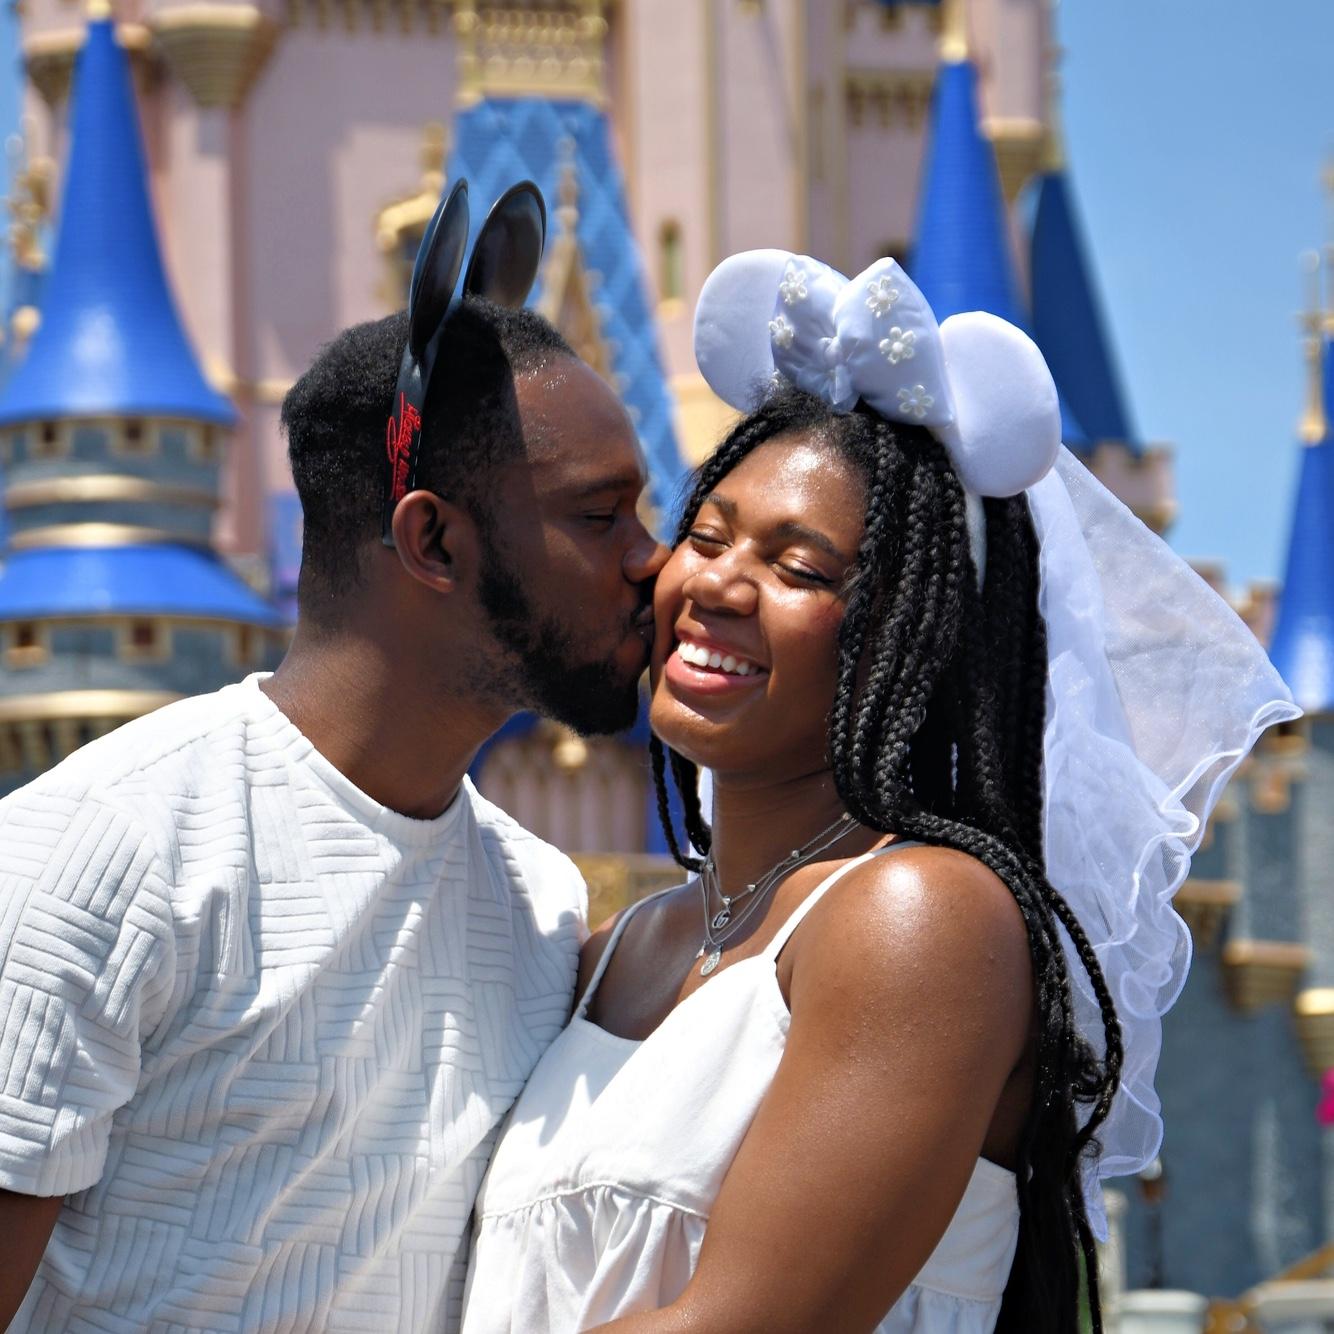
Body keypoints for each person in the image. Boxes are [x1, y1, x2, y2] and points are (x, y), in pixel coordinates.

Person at [461, 251, 1297, 1333]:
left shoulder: (918, 916)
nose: (714, 581)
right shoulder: (625, 946)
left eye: (799, 567)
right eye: (706, 534)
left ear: (911, 636)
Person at [0, 271, 668, 1327]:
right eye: (599, 514)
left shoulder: (538, 907)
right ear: (432, 541)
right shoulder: (108, 848)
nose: (652, 559)